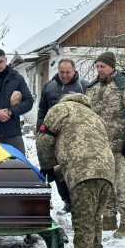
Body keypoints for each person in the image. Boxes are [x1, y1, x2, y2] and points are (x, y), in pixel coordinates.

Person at [36, 93, 114, 248]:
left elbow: (44, 139)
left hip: (84, 173)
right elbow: (85, 152)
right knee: (95, 218)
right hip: (107, 171)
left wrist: (46, 167)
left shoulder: (60, 109)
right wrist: (55, 172)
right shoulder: (94, 115)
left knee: (83, 220)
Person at [86, 52, 125, 238]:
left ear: (112, 66)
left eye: (103, 66)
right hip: (99, 145)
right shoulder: (91, 88)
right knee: (104, 183)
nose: (99, 70)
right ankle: (109, 217)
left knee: (120, 183)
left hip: (119, 145)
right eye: (97, 66)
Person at [37, 59, 89, 214]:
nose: (64, 75)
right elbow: (42, 111)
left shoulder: (83, 86)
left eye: (68, 72)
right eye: (61, 72)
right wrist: (40, 130)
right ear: (58, 71)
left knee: (74, 169)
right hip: (53, 135)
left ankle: (76, 201)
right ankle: (66, 200)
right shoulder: (49, 86)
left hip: (75, 137)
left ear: (74, 71)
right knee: (57, 169)